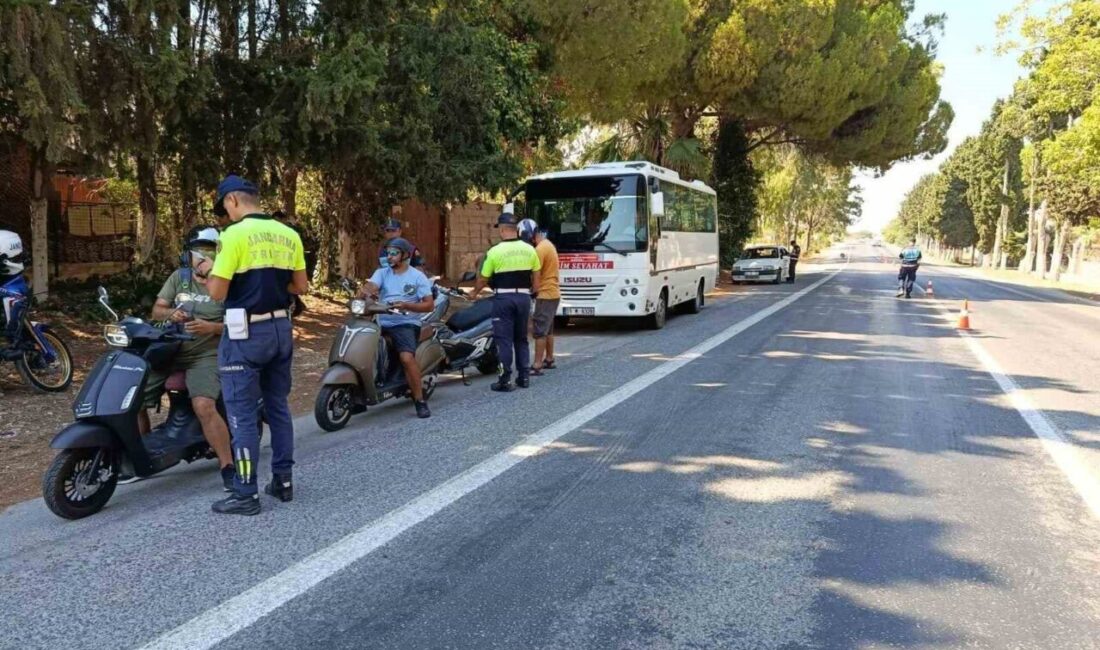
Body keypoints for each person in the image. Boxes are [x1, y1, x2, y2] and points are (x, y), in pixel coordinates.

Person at [206, 175, 308, 516]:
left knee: (242, 414)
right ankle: (283, 481)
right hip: (280, 328)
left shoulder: (232, 235)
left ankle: (245, 492)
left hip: (245, 333)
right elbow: (301, 287)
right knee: (277, 406)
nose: (226, 215)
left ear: (232, 200)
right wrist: (271, 287)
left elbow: (217, 292)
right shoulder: (288, 233)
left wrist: (210, 273)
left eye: (224, 208)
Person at [136, 226, 234, 488]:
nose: (203, 258)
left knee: (203, 405)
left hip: (207, 352)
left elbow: (240, 325)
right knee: (133, 398)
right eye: (198, 252)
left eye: (209, 252)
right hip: (171, 349)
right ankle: (142, 458)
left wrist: (211, 327)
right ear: (188, 255)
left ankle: (228, 466)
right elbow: (157, 310)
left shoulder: (227, 283)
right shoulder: (179, 278)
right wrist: (171, 314)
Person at [359, 237, 435, 418]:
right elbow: (371, 286)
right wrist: (366, 291)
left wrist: (406, 305)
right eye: (388, 253)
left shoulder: (417, 276)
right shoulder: (382, 272)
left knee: (407, 358)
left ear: (405, 255)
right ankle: (358, 397)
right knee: (362, 351)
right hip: (380, 322)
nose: (390, 257)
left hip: (406, 323)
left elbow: (429, 305)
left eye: (394, 253)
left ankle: (419, 400)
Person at [469, 213, 541, 392]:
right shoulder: (530, 249)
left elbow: (483, 278)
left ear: (501, 230)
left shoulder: (494, 251)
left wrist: (474, 293)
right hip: (523, 298)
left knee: (504, 341)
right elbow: (536, 278)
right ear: (516, 229)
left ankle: (504, 379)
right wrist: (532, 293)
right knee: (521, 339)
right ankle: (524, 377)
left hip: (503, 299)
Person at [529, 223, 560, 375]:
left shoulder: (540, 249)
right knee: (548, 330)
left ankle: (537, 364)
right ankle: (549, 358)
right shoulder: (548, 245)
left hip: (545, 294)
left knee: (539, 331)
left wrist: (533, 291)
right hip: (553, 294)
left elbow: (536, 273)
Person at [272, 211, 309, 317]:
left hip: (287, 277)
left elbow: (301, 286)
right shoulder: (272, 237)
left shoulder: (292, 235)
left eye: (282, 222)